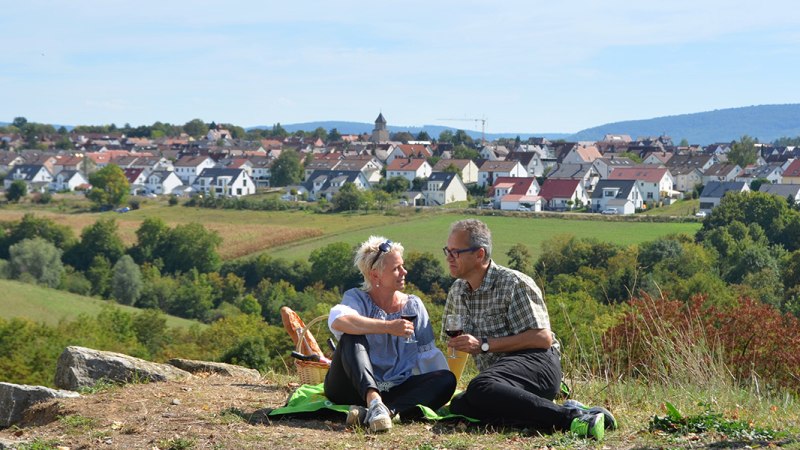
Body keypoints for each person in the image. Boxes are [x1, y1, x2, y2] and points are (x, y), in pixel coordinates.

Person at [442, 219, 616, 440]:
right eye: (448, 250)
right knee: (460, 406)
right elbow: (456, 349)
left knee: (480, 387)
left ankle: (572, 418)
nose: (448, 257)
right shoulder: (457, 291)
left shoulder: (514, 283)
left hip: (537, 364)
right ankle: (582, 412)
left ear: (479, 254)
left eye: (456, 252)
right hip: (502, 382)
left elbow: (542, 338)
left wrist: (484, 344)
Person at [324, 236, 456, 432]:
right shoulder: (356, 298)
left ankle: (385, 412)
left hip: (395, 388)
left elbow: (427, 356)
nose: (404, 272)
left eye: (402, 266)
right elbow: (338, 320)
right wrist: (388, 326)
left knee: (447, 379)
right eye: (396, 268)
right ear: (375, 275)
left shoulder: (413, 305)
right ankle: (374, 401)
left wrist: (433, 387)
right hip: (349, 388)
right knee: (351, 334)